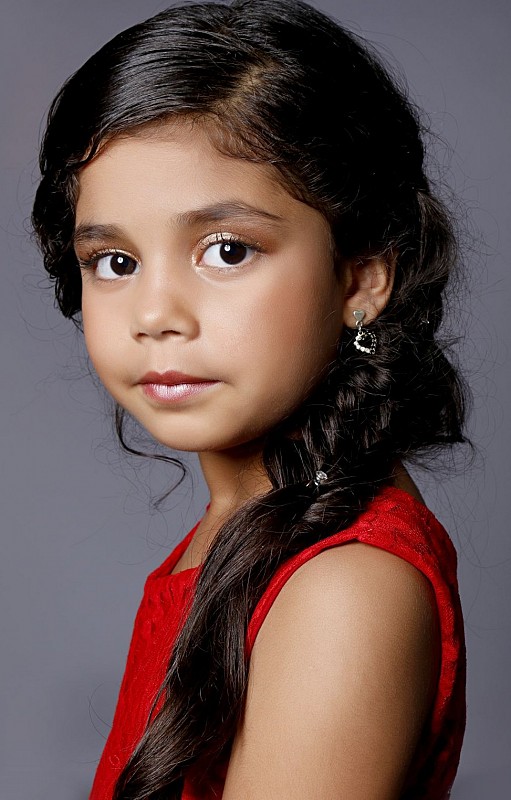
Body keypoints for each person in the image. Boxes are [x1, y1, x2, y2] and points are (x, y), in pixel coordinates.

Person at [31, 1, 468, 797]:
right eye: (114, 261)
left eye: (226, 250)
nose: (155, 314)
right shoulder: (245, 527)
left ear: (361, 278)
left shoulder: (341, 588)